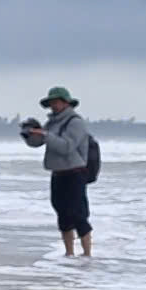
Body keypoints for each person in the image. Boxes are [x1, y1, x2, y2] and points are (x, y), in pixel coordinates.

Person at [35, 86, 95, 257]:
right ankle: (69, 254)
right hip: (57, 173)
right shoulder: (52, 122)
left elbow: (67, 146)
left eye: (56, 102)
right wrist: (31, 134)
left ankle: (87, 254)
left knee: (78, 214)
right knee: (62, 214)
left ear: (66, 102)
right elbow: (38, 143)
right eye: (51, 102)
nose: (53, 105)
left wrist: (46, 135)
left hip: (75, 173)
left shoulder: (76, 122)